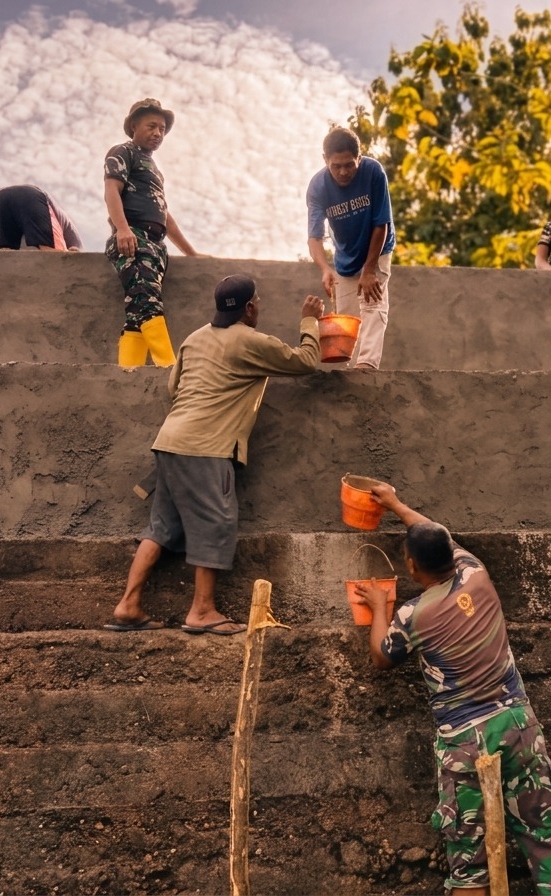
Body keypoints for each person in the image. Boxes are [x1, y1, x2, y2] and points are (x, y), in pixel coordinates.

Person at [352, 482, 551, 895]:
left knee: (469, 865)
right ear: (450, 555)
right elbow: (435, 531)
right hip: (517, 726)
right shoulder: (475, 573)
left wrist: (378, 608)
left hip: (465, 742)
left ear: (410, 566)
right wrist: (395, 503)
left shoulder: (411, 615)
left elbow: (381, 658)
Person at [107, 275, 325, 635]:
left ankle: (128, 605)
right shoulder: (251, 341)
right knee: (216, 522)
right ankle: (202, 611)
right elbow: (305, 361)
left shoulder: (194, 339)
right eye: (258, 302)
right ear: (250, 308)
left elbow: (172, 386)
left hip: (170, 441)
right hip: (206, 448)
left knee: (161, 527)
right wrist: (309, 320)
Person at [104, 98, 199, 369]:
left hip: (155, 246)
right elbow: (112, 190)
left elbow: (164, 214)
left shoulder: (154, 169)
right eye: (152, 126)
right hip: (133, 238)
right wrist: (122, 228)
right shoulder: (123, 151)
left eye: (162, 129)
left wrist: (191, 253)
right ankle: (170, 368)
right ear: (134, 124)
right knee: (148, 304)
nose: (158, 133)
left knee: (138, 311)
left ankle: (128, 371)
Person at [306, 126, 395, 369]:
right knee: (347, 318)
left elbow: (381, 223)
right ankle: (351, 370)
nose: (343, 172)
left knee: (372, 302)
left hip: (377, 248)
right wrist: (325, 268)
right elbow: (314, 237)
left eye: (349, 165)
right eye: (336, 166)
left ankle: (366, 366)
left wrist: (369, 270)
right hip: (345, 257)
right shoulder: (318, 187)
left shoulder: (373, 172)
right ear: (325, 160)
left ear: (359, 157)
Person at [0, 185, 82, 251]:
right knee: (55, 258)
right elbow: (69, 259)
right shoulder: (76, 243)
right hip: (31, 197)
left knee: (5, 258)